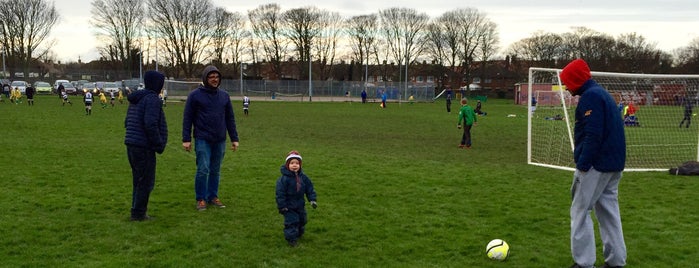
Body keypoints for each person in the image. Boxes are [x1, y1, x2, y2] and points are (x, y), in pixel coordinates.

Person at [559, 59, 626, 268]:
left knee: (579, 211)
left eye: (567, 82)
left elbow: (593, 134)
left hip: (596, 165)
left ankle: (584, 263)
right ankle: (616, 261)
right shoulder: (602, 94)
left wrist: (583, 163)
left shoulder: (591, 98)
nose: (566, 87)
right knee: (609, 212)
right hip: (614, 164)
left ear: (575, 80)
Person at [182, 65, 239, 211]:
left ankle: (212, 196)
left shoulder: (224, 96)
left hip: (220, 139)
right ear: (205, 78)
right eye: (211, 77)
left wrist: (234, 138)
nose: (215, 79)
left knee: (215, 170)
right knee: (203, 169)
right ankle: (201, 199)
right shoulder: (195, 95)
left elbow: (230, 118)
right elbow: (187, 118)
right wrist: (186, 139)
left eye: (217, 77)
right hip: (202, 138)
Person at [124, 70, 168, 221]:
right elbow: (150, 124)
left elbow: (126, 122)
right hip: (143, 147)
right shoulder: (152, 100)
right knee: (146, 181)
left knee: (138, 180)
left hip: (131, 144)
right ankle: (138, 214)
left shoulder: (136, 99)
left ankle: (136, 210)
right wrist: (158, 143)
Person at [276, 150, 317, 247]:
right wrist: (282, 206)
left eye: (297, 163)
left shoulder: (303, 177)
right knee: (291, 222)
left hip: (300, 204)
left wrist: (312, 199)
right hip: (288, 206)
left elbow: (309, 188)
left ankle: (299, 233)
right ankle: (291, 240)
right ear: (287, 165)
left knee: (302, 220)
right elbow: (280, 193)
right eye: (292, 163)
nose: (294, 165)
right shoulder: (283, 179)